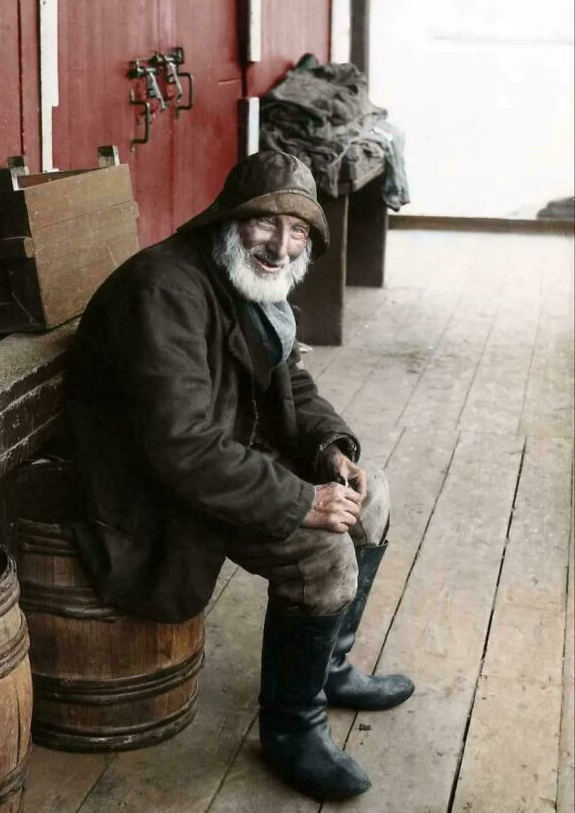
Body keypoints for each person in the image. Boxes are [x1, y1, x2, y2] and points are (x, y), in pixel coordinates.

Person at [65, 151, 414, 801]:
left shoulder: (248, 281)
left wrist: (331, 449)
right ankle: (293, 729)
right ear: (232, 219)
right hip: (152, 491)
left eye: (300, 231)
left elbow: (292, 383)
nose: (282, 246)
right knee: (321, 552)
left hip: (219, 455)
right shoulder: (165, 288)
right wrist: (298, 498)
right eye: (269, 223)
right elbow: (178, 445)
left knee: (373, 494)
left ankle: (328, 666)